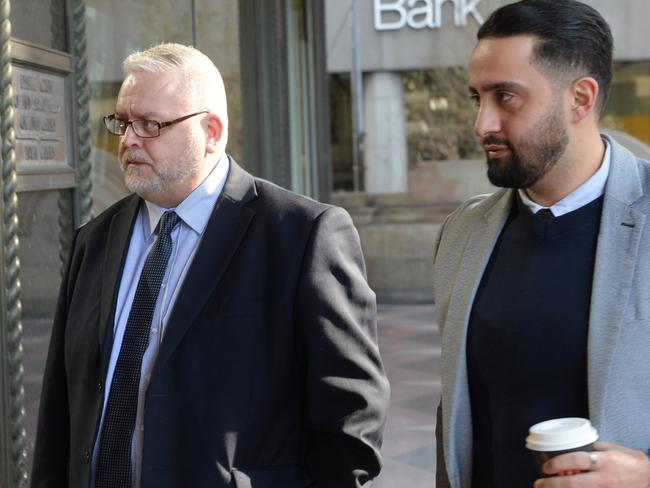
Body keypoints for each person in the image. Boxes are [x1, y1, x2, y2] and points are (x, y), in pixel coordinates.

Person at [31, 43, 389, 488]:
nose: (127, 141)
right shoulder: (95, 240)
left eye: (150, 124)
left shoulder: (302, 235)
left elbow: (351, 414)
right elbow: (59, 412)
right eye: (122, 123)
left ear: (212, 132)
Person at [432, 1, 650, 487]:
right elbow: (458, 414)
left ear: (580, 98)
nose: (481, 124)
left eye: (505, 96)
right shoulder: (462, 234)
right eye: (477, 98)